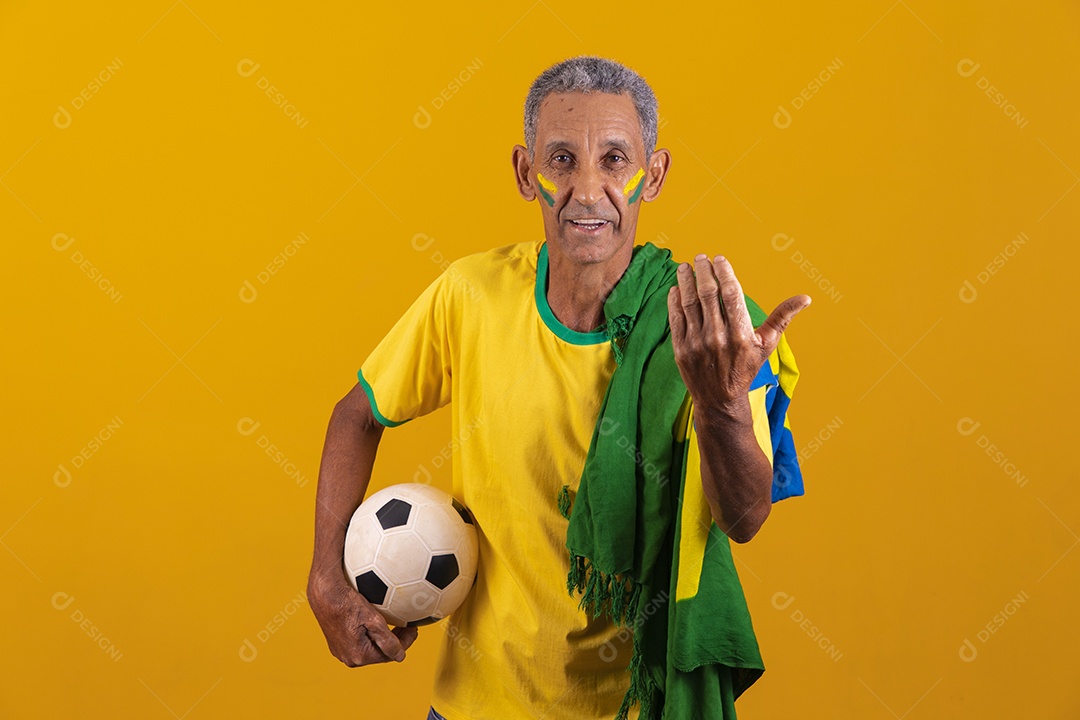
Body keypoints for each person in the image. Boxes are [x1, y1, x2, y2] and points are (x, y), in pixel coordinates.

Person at [307, 55, 810, 720]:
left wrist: (722, 407)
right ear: (526, 173)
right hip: (474, 707)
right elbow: (356, 415)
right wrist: (326, 580)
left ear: (654, 175)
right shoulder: (471, 295)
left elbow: (744, 519)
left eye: (615, 160)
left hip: (634, 707)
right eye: (562, 160)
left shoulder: (707, 331)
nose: (588, 190)